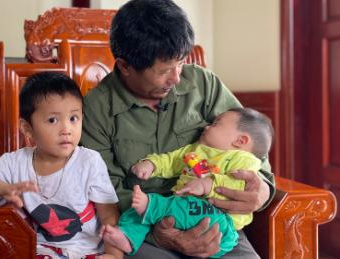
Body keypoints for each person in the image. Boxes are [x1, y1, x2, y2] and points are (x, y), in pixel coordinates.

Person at [80, 0, 276, 258]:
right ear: (125, 66)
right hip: (144, 227)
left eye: (181, 63)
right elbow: (108, 192)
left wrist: (262, 189)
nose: (176, 78)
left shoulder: (204, 85)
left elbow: (252, 149)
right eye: (164, 71)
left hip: (214, 222)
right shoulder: (96, 109)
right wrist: (163, 232)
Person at [0, 72, 123, 259]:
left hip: (87, 250)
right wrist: (0, 187)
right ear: (27, 129)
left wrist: (113, 256)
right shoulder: (15, 163)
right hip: (40, 251)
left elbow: (110, 218)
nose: (66, 129)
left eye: (73, 118)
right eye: (52, 120)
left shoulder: (89, 162)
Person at [100, 108, 274, 258]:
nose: (206, 126)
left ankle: (151, 208)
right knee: (138, 211)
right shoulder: (196, 150)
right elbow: (172, 160)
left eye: (215, 124)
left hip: (217, 218)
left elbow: (241, 185)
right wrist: (152, 164)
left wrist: (207, 185)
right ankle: (127, 238)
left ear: (240, 141)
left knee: (152, 205)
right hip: (181, 207)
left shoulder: (243, 159)